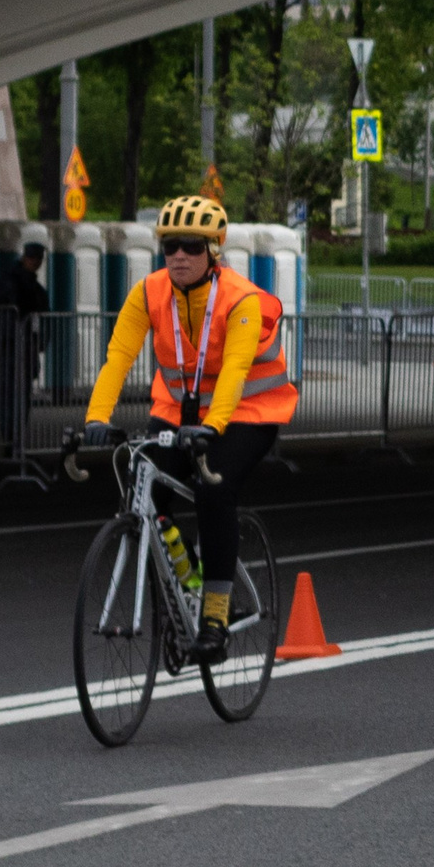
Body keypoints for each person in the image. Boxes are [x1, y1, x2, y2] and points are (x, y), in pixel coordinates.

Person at [78, 198, 298, 662]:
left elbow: (235, 370)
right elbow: (118, 358)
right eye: (170, 245)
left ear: (214, 250)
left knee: (212, 490)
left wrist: (212, 428)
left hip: (249, 412)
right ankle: (189, 579)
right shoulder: (148, 293)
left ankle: (215, 617)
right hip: (178, 411)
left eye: (192, 246)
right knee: (144, 492)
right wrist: (96, 418)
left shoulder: (240, 299)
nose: (178, 255)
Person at [0, 240, 48, 444]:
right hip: (10, 347)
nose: (35, 262)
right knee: (13, 397)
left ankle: (13, 442)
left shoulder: (12, 282)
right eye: (33, 258)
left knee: (9, 396)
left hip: (9, 347)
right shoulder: (21, 285)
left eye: (38, 259)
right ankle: (13, 441)